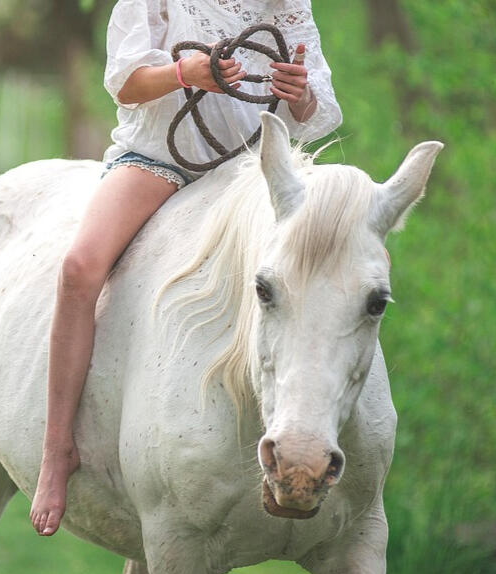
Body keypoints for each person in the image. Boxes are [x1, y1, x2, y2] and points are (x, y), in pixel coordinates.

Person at [30, 0, 343, 536]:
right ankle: (57, 447)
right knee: (80, 269)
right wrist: (185, 74)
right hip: (159, 160)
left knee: (322, 273)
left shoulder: (287, 6)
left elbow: (313, 112)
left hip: (248, 175)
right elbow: (125, 84)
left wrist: (300, 93)